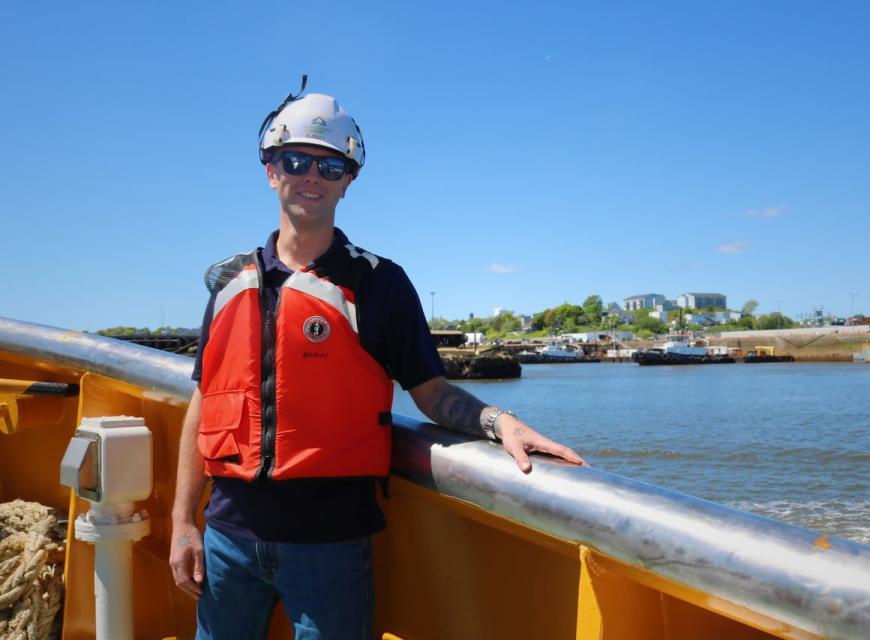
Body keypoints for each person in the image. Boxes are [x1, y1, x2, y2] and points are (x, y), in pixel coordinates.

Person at [168, 79, 584, 639]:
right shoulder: (227, 283)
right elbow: (204, 402)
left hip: (330, 547)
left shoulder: (380, 284)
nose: (311, 177)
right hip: (226, 538)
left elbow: (431, 391)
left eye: (330, 167)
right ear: (271, 170)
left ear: (349, 183)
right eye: (295, 160)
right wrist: (181, 524)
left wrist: (498, 421)